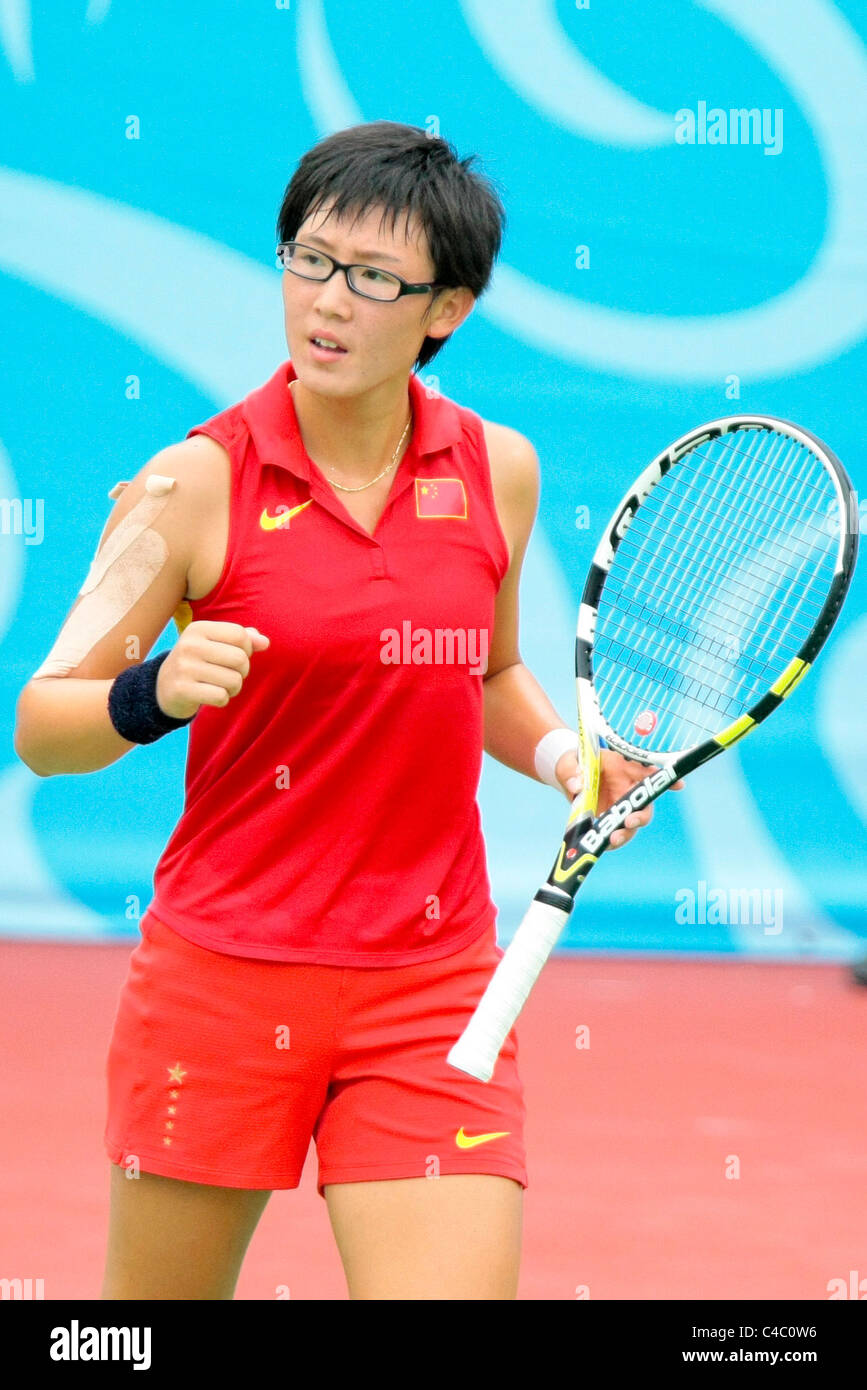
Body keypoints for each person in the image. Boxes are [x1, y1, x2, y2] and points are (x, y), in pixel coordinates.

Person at [14, 120, 672, 1300]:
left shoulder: (495, 469)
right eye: (308, 260)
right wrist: (152, 691)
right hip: (222, 979)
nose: (327, 300)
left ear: (446, 309)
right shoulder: (191, 483)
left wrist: (567, 752)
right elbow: (43, 725)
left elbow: (483, 675)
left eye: (373, 279)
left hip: (431, 987)